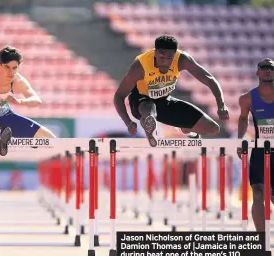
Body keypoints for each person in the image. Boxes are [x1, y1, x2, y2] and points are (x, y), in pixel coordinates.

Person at [113, 35, 229, 147]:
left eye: (170, 58)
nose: (165, 62)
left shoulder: (182, 59)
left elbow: (209, 79)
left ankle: (187, 129)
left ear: (175, 55)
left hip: (164, 101)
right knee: (149, 108)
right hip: (140, 101)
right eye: (161, 57)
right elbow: (119, 96)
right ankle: (150, 129)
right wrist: (128, 122)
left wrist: (221, 104)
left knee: (212, 128)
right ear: (155, 53)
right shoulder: (140, 66)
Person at [237, 58, 274, 233]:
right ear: (257, 72)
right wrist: (240, 140)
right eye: (264, 68)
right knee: (258, 193)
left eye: (271, 68)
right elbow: (243, 119)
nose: (268, 71)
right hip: (260, 151)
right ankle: (261, 240)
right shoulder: (247, 99)